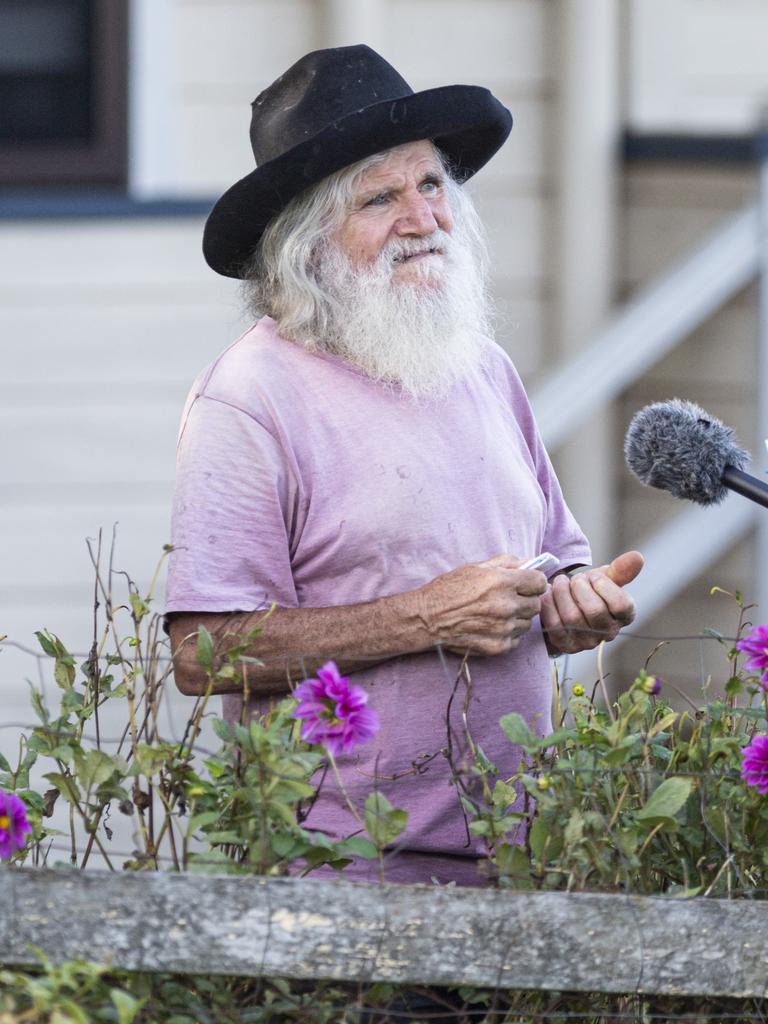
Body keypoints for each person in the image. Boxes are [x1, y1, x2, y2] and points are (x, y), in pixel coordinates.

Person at [165, 44, 643, 887]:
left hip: (527, 860)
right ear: (306, 245)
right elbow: (204, 652)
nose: (423, 216)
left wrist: (577, 598)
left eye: (430, 185)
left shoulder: (480, 365)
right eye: (379, 198)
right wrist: (424, 617)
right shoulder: (248, 401)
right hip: (345, 875)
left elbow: (554, 557)